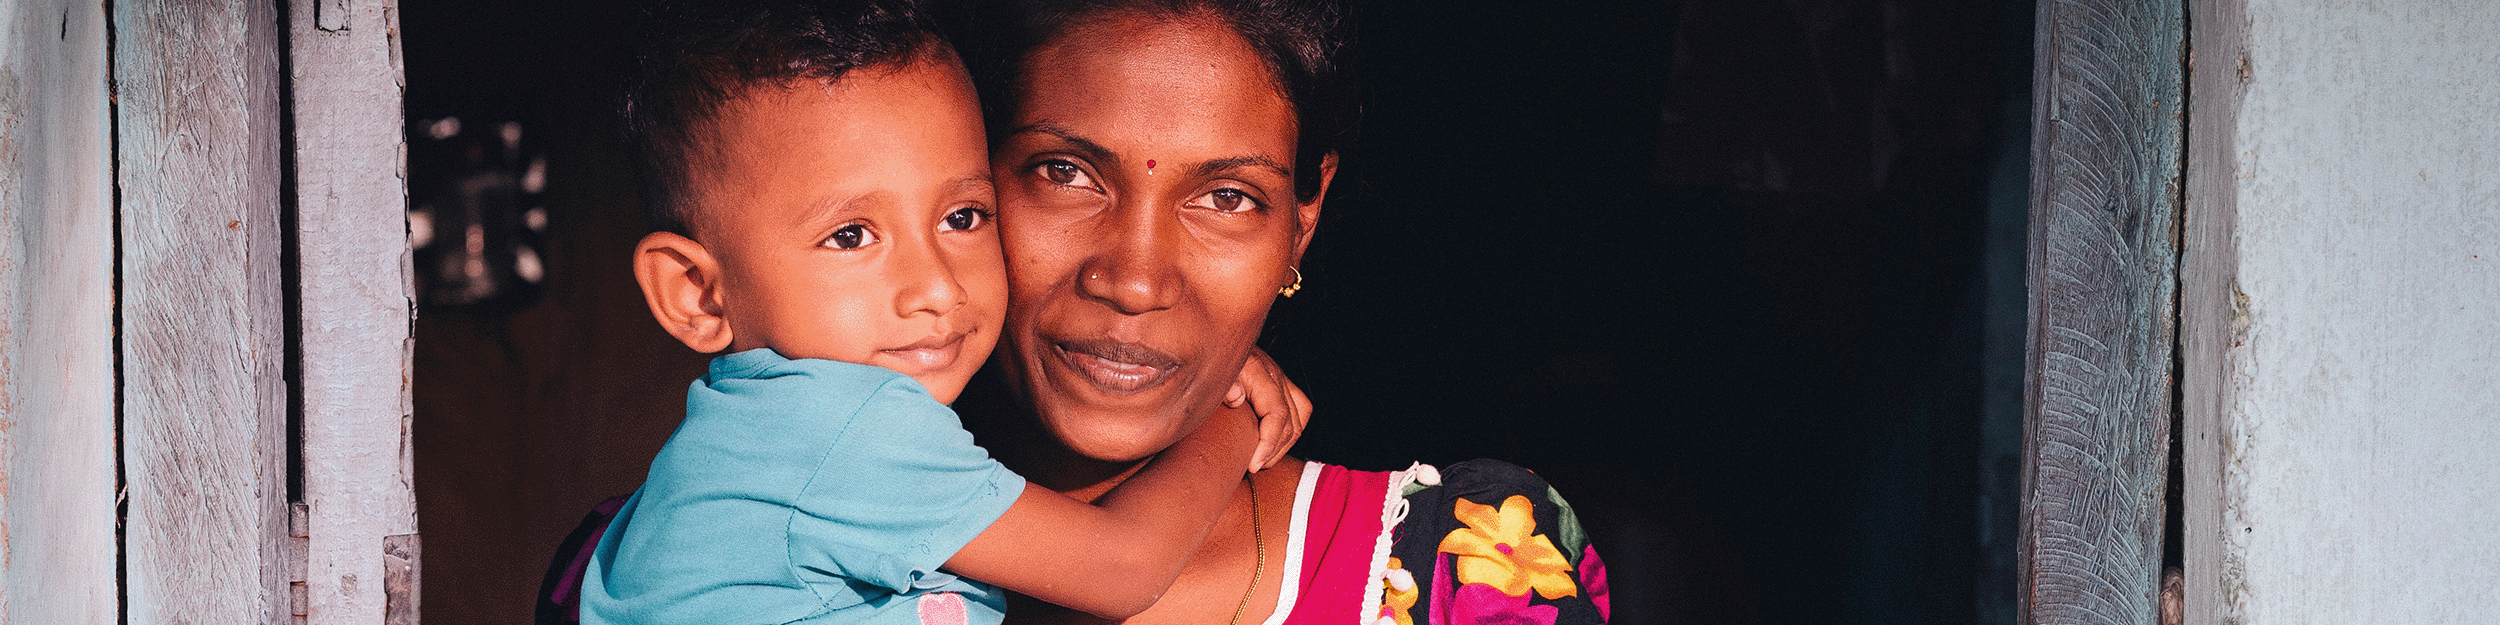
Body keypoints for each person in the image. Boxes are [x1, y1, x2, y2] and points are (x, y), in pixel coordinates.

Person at [570, 1, 1313, 623]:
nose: (934, 284)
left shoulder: (737, 448)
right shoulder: (843, 430)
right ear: (694, 294)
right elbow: (1124, 565)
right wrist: (1232, 413)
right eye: (851, 235)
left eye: (962, 216)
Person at [957, 0, 1612, 623]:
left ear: (1304, 217)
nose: (1133, 282)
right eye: (1064, 173)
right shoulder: (858, 530)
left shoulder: (1468, 566)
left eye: (1228, 198)